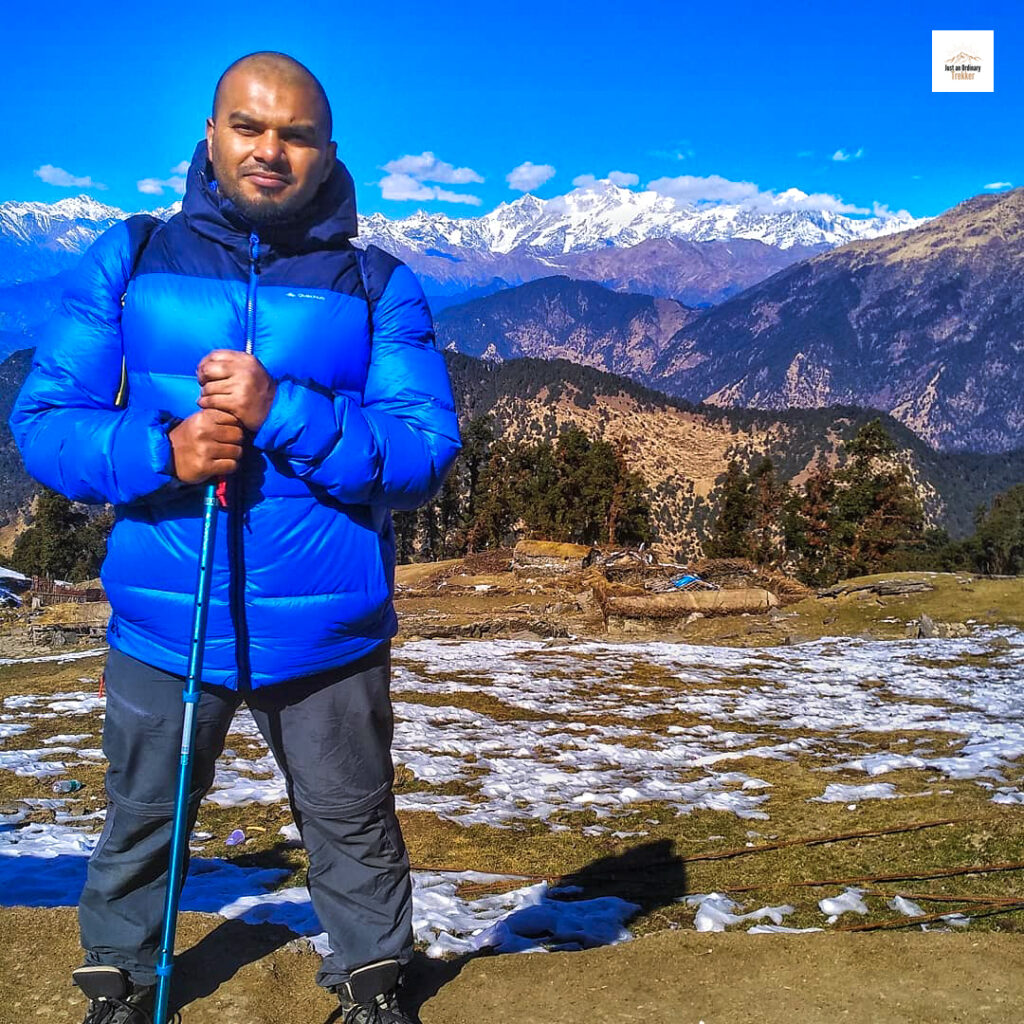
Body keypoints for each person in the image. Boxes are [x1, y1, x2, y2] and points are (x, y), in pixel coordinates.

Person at [9, 50, 461, 1024]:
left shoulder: (380, 284)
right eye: (248, 127)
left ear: (327, 151)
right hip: (166, 620)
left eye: (294, 134)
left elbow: (423, 452)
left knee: (350, 820)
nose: (270, 150)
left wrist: (283, 410)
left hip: (328, 631)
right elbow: (44, 423)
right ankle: (120, 983)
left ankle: (374, 983)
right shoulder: (128, 257)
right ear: (210, 136)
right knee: (142, 816)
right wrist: (162, 450)